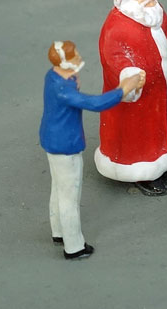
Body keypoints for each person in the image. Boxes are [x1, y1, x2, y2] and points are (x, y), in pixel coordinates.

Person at [39, 40, 144, 260]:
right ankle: (74, 246)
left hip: (53, 139)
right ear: (65, 62)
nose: (79, 56)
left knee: (58, 189)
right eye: (74, 55)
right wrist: (123, 89)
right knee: (69, 197)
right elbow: (95, 104)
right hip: (66, 145)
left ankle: (58, 232)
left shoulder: (54, 76)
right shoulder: (63, 89)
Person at [95, 0, 167, 196]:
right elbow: (113, 56)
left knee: (163, 122)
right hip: (137, 93)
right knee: (139, 132)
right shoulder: (116, 24)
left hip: (159, 87)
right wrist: (130, 77)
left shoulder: (155, 12)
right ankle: (143, 172)